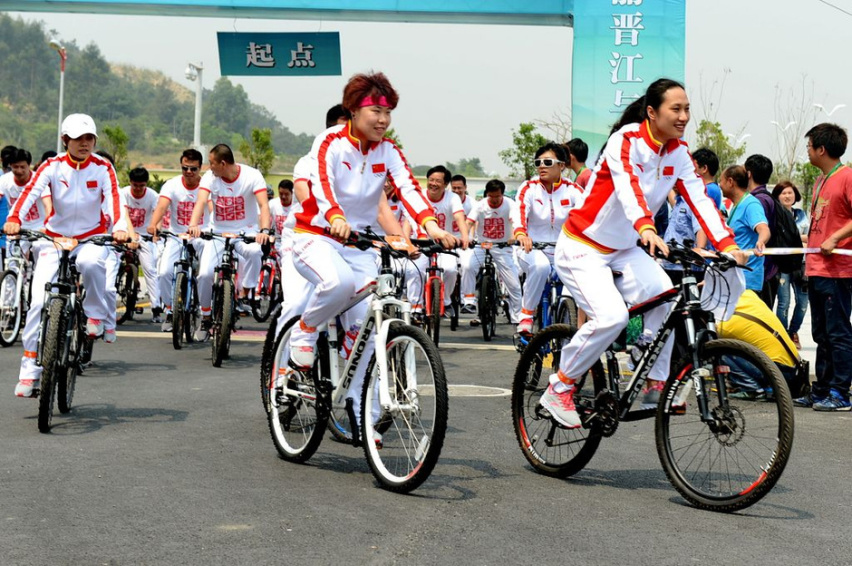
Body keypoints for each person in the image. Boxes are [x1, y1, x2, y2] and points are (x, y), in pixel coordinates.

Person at [540, 79, 744, 428]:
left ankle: (654, 381)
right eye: (676, 109)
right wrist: (646, 228)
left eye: (687, 109)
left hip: (624, 249)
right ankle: (560, 386)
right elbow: (628, 189)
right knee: (612, 318)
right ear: (652, 112)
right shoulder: (627, 140)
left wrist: (728, 246)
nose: (684, 117)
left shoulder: (679, 153)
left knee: (666, 299)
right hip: (582, 247)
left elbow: (700, 200)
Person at [285, 72, 453, 429]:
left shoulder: (388, 150)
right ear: (354, 110)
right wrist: (333, 216)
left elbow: (408, 187)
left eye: (388, 112)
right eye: (375, 110)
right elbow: (322, 184)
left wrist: (431, 226)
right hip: (317, 236)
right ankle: (305, 330)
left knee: (369, 327)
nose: (383, 119)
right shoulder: (330, 142)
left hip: (359, 244)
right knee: (338, 284)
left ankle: (362, 409)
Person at [4, 113, 127, 397]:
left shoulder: (103, 167)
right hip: (54, 239)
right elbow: (29, 194)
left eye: (89, 138)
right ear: (65, 140)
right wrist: (14, 219)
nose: (85, 144)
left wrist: (119, 228)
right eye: (78, 139)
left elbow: (115, 201)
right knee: (37, 302)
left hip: (90, 238)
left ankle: (95, 314)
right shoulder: (51, 165)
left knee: (92, 262)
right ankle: (29, 372)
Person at [794, 122, 852, 411]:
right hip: (816, 268)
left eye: (809, 146)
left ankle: (841, 392)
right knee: (820, 333)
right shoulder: (819, 181)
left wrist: (836, 237)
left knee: (838, 332)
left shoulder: (847, 177)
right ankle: (822, 389)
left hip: (838, 270)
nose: (807, 151)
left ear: (822, 149)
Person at [187, 144, 271, 341]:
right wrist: (193, 225)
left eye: (212, 163)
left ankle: (246, 291)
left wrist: (264, 230)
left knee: (255, 253)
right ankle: (206, 316)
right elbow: (200, 202)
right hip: (218, 232)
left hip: (246, 232)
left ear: (223, 163)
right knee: (206, 274)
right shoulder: (211, 178)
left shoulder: (252, 176)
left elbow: (263, 204)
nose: (209, 168)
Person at [514, 142, 583, 334]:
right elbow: (519, 212)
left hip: (564, 249)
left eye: (547, 161)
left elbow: (588, 217)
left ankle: (573, 319)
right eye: (538, 162)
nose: (541, 166)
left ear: (562, 165)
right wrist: (521, 234)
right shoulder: (528, 188)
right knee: (541, 266)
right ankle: (527, 315)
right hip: (532, 248)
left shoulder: (574, 190)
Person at [148, 149, 211, 332]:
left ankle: (208, 310)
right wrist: (153, 225)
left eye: (193, 169)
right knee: (164, 272)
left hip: (202, 235)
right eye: (185, 168)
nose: (189, 173)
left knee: (206, 273)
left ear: (200, 168)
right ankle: (170, 310)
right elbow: (162, 206)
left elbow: (211, 207)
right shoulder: (172, 185)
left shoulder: (208, 185)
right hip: (177, 235)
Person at [403, 165, 468, 320]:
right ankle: (416, 307)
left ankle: (445, 302)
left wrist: (465, 237)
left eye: (438, 181)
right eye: (431, 180)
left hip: (444, 243)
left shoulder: (452, 198)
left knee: (450, 269)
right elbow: (407, 222)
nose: (433, 183)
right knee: (414, 271)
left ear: (445, 185)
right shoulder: (419, 197)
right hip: (421, 242)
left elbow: (459, 218)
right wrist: (407, 243)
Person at [716, 290, 803, 399]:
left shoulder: (726, 326)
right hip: (792, 368)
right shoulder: (749, 296)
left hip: (777, 373)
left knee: (722, 351)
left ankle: (751, 388)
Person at [462, 179, 522, 323]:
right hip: (482, 245)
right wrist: (466, 237)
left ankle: (517, 317)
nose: (494, 200)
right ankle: (469, 300)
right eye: (491, 196)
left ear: (502, 194)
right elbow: (469, 222)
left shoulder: (510, 205)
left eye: (497, 196)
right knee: (467, 266)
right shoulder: (480, 205)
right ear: (487, 194)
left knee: (513, 284)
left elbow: (516, 222)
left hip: (502, 246)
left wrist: (513, 236)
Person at [122, 166, 163, 322]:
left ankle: (156, 308)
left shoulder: (153, 196)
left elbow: (157, 218)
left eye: (142, 186)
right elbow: (122, 216)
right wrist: (129, 236)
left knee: (150, 269)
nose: (138, 189)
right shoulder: (123, 194)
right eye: (135, 185)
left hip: (145, 236)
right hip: (125, 234)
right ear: (130, 183)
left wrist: (155, 233)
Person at [719, 165, 769, 292]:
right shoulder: (736, 205)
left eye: (721, 181)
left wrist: (761, 241)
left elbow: (764, 229)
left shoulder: (751, 204)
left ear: (730, 182)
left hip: (747, 282)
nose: (719, 185)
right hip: (734, 278)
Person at [772, 180, 809, 348]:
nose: (787, 196)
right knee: (783, 302)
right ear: (777, 196)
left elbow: (810, 238)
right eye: (783, 193)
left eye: (790, 193)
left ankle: (793, 331)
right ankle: (783, 336)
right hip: (782, 265)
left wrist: (793, 237)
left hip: (801, 265)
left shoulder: (801, 215)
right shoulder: (775, 215)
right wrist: (798, 238)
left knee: (802, 303)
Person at [0, 148, 48, 261]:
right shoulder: (4, 181)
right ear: (10, 166)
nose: (19, 171)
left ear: (29, 165)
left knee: (41, 258)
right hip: (17, 227)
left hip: (40, 227)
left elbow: (48, 204)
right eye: (15, 167)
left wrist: (48, 226)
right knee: (12, 262)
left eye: (23, 167)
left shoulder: (40, 180)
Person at [745, 154, 778, 306]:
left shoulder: (756, 201)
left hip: (761, 271)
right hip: (766, 270)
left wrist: (760, 241)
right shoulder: (767, 197)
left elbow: (763, 229)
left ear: (749, 173)